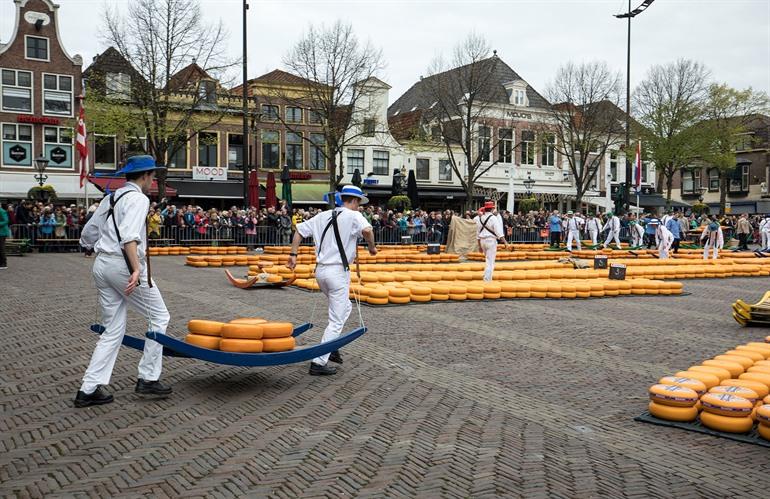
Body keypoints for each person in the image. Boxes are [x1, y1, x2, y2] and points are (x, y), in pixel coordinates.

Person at [75, 155, 172, 408]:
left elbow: (89, 232)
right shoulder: (139, 198)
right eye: (152, 177)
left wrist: (87, 246)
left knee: (113, 330)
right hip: (123, 266)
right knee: (159, 317)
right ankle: (148, 378)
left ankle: (89, 388)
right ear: (146, 176)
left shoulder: (112, 197)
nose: (152, 182)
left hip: (102, 265)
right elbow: (129, 236)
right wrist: (137, 269)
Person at [288, 185, 377, 376]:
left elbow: (298, 231)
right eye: (359, 203)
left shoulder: (322, 216)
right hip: (337, 273)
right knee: (336, 319)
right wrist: (372, 247)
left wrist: (293, 255)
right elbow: (368, 231)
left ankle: (331, 345)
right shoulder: (354, 216)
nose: (359, 206)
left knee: (345, 307)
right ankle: (318, 363)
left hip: (321, 272)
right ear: (354, 201)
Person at [474, 201, 506, 281]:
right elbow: (499, 232)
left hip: (482, 241)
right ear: (492, 209)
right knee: (490, 261)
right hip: (490, 240)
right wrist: (505, 242)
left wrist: (479, 246)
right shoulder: (493, 218)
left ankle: (486, 276)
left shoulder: (480, 218)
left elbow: (477, 233)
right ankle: (487, 279)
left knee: (487, 259)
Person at [0, 201, 9, 270]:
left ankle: (3, 263)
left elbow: (6, 220)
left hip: (2, 232)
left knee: (1, 248)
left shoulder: (2, 211)